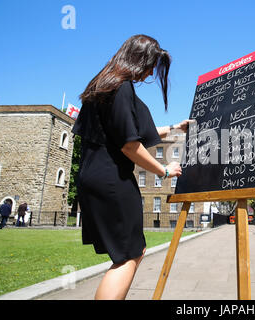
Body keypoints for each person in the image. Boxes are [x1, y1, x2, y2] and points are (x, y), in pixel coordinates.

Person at [72, 34, 191, 300]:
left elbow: (131, 132)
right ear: (138, 59)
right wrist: (164, 171)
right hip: (113, 180)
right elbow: (129, 146)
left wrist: (174, 127)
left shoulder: (101, 85)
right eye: (149, 66)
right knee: (129, 254)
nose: (150, 73)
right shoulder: (123, 87)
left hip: (91, 177)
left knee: (124, 253)